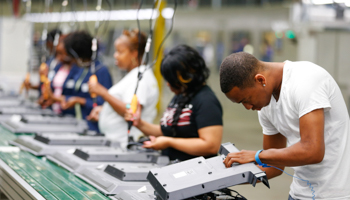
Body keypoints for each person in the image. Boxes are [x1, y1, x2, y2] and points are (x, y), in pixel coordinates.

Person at [219, 52, 350, 199]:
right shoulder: (265, 104)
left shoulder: (306, 81)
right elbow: (273, 166)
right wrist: (219, 179)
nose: (247, 107)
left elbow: (313, 151)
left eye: (246, 99)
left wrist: (257, 156)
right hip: (298, 194)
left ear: (260, 79)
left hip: (336, 195)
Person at [125, 45, 223, 161]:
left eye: (171, 80)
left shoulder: (206, 101)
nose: (168, 84)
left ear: (187, 76)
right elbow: (167, 130)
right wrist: (139, 123)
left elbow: (210, 146)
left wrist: (169, 142)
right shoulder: (181, 95)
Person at [87, 29, 158, 147]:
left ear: (134, 53)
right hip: (116, 143)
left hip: (126, 144)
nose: (115, 55)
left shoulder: (141, 78)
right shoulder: (133, 75)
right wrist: (104, 110)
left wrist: (103, 93)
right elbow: (125, 104)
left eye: (120, 52)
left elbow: (131, 112)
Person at [47, 31, 113, 132]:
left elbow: (105, 103)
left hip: (94, 127)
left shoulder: (101, 71)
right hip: (77, 124)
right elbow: (72, 92)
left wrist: (80, 101)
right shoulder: (80, 69)